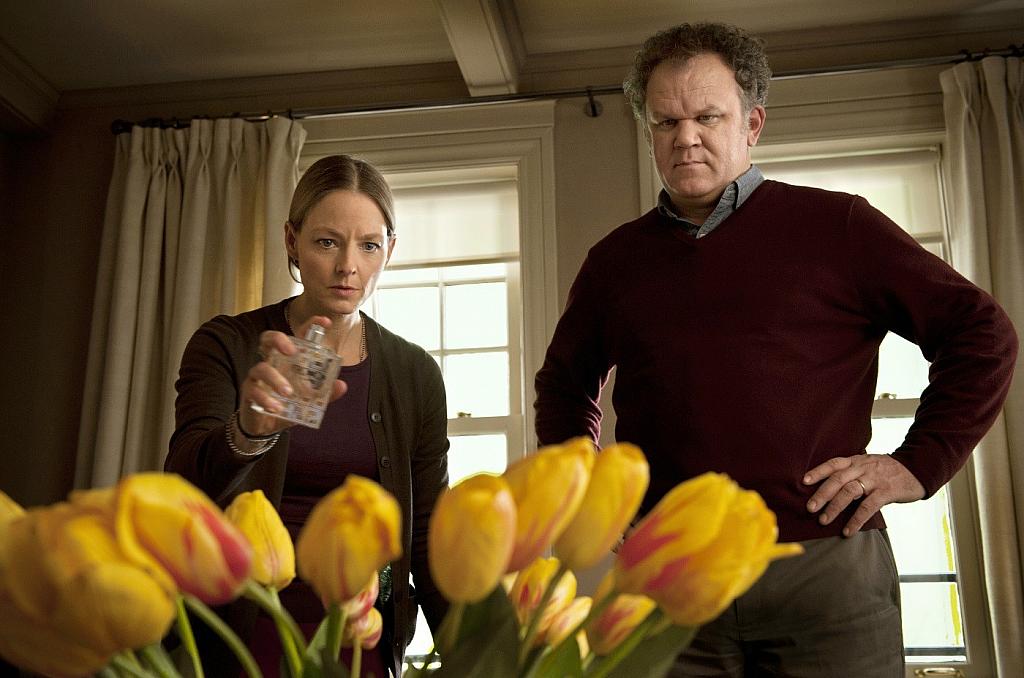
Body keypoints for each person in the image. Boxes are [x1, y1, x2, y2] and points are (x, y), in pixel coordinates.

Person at [534, 22, 1018, 677]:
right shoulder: (614, 262)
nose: (685, 137)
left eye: (707, 116)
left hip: (826, 569)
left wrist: (916, 463)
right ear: (648, 132)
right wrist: (593, 494)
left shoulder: (840, 225)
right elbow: (564, 386)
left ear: (752, 124)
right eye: (666, 121)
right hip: (672, 575)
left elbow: (983, 333)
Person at [165, 154, 449, 677]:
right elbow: (183, 486)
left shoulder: (415, 373)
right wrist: (247, 432)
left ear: (390, 250)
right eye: (327, 242)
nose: (348, 266)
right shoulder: (227, 343)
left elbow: (427, 532)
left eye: (369, 245)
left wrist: (476, 653)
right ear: (292, 240)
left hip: (361, 636)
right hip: (245, 632)